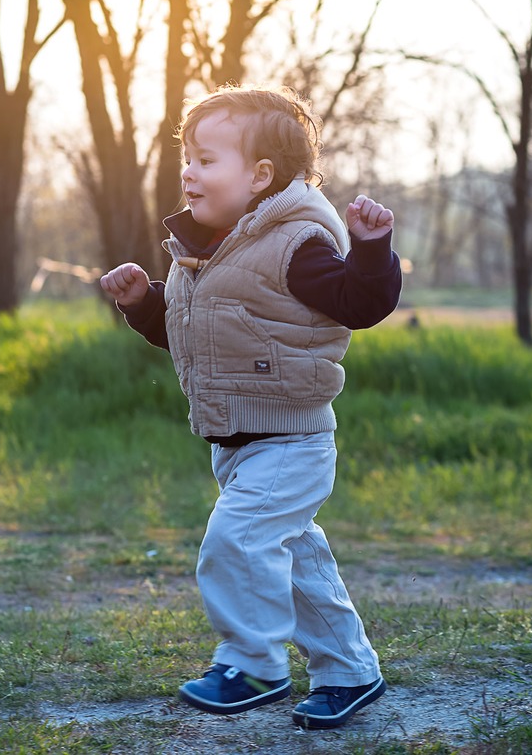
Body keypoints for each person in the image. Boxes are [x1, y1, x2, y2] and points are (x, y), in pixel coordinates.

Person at [99, 85, 401, 730]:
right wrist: (143, 304)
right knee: (293, 563)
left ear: (260, 174)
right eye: (187, 156)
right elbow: (191, 334)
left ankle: (255, 662)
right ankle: (350, 671)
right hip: (235, 446)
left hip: (291, 443)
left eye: (208, 159)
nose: (188, 170)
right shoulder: (202, 252)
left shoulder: (296, 245)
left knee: (236, 542)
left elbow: (360, 304)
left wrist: (372, 250)